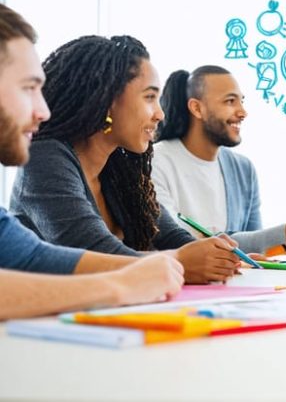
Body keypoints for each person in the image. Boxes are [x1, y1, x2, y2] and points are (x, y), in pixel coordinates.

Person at [0, 2, 183, 319]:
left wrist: (161, 265)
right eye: (28, 87)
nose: (43, 111)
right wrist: (122, 285)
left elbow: (31, 257)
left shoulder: (119, 168)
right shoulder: (49, 156)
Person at [10, 35, 240, 284]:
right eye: (149, 97)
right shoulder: (44, 158)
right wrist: (181, 261)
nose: (160, 114)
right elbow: (96, 255)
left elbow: (173, 237)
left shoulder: (120, 168)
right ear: (107, 101)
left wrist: (218, 256)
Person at [152, 66, 286, 251]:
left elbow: (255, 247)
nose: (243, 112)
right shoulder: (154, 162)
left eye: (241, 101)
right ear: (197, 108)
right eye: (230, 101)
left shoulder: (243, 169)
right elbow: (179, 243)